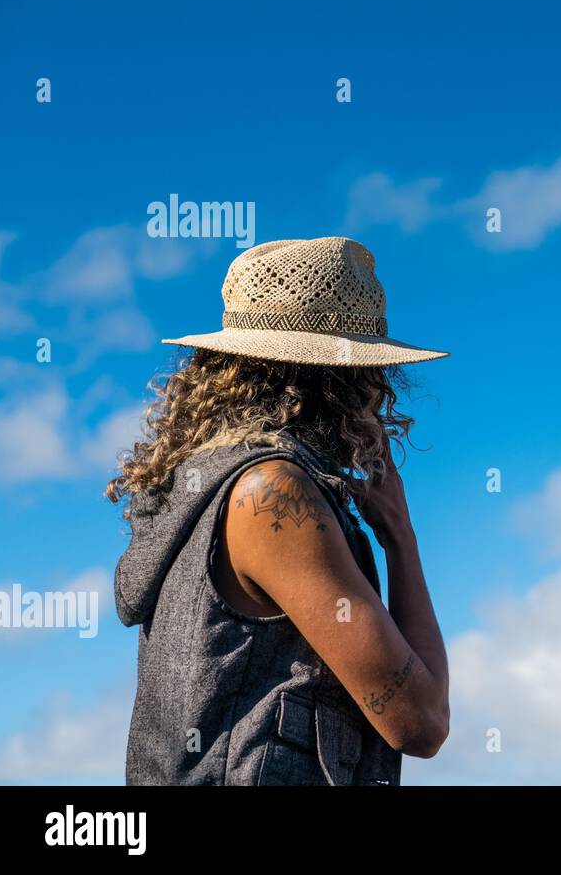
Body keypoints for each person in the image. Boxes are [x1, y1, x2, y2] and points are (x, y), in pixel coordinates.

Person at [106, 236, 450, 785]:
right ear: (341, 379)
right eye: (373, 375)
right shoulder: (273, 495)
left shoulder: (211, 489)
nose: (380, 396)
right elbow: (421, 721)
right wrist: (401, 538)